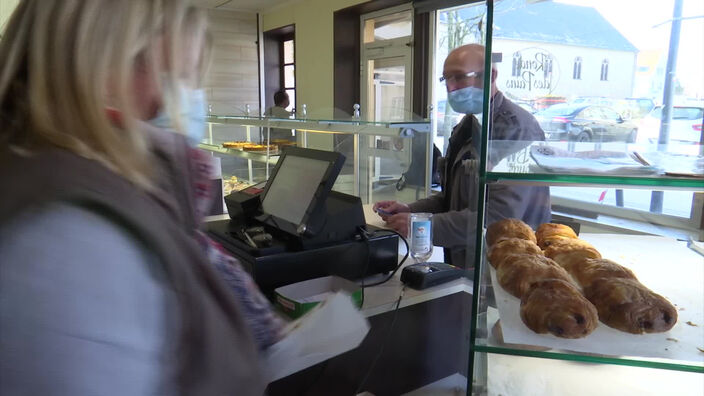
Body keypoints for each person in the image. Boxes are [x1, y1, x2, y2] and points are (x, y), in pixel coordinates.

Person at [0, 1, 266, 394]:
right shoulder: (73, 238)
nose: (164, 101)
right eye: (151, 68)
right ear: (81, 60)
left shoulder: (68, 183)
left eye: (183, 79)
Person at [374, 44, 551, 268]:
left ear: (491, 75)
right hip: (466, 262)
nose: (450, 87)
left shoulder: (516, 130)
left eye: (458, 77)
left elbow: (499, 219)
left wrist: (424, 227)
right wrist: (412, 211)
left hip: (508, 268)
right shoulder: (467, 127)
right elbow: (452, 199)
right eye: (446, 79)